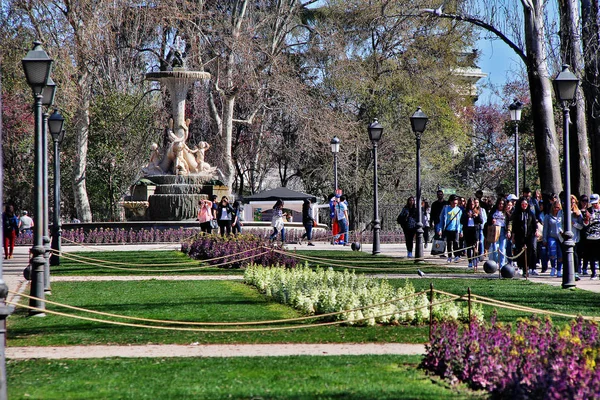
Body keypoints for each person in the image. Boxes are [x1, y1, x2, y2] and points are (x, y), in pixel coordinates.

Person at [507, 197, 538, 276]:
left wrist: (536, 231)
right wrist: (512, 234)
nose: (524, 205)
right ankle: (521, 267)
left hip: (529, 236)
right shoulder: (516, 213)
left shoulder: (531, 213)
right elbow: (513, 224)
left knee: (529, 252)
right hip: (519, 236)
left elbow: (534, 224)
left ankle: (527, 268)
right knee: (520, 252)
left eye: (526, 204)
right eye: (523, 204)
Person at [437, 194, 463, 263]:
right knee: (449, 243)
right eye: (454, 203)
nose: (455, 204)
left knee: (456, 243)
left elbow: (461, 222)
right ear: (450, 201)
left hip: (456, 229)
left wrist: (461, 231)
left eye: (456, 203)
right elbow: (441, 219)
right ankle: (449, 256)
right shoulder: (445, 209)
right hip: (447, 229)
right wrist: (440, 229)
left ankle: (457, 256)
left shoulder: (459, 210)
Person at [460, 198, 483, 269]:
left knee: (475, 247)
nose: (471, 206)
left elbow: (481, 221)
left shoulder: (478, 211)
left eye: (472, 204)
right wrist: (467, 216)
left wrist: (476, 216)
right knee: (469, 247)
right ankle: (470, 262)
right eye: (470, 204)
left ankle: (475, 260)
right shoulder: (465, 211)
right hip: (467, 230)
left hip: (475, 230)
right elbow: (461, 221)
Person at [486, 197, 508, 268]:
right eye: (499, 204)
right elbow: (488, 220)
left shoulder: (505, 212)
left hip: (502, 230)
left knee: (502, 249)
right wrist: (491, 221)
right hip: (494, 230)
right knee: (495, 248)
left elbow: (509, 221)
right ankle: (494, 264)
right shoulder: (493, 211)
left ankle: (502, 265)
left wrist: (508, 231)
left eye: (502, 204)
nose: (500, 205)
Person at [543, 200, 564, 277]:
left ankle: (559, 269)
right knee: (552, 252)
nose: (556, 209)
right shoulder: (548, 216)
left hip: (560, 237)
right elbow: (545, 228)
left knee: (560, 254)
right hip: (551, 236)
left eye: (558, 208)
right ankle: (553, 267)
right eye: (555, 207)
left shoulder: (562, 215)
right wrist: (544, 239)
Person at [583, 193, 600, 280]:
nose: (594, 205)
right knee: (592, 256)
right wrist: (587, 218)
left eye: (596, 203)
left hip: (599, 236)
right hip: (591, 236)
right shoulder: (588, 210)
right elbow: (585, 224)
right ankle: (593, 273)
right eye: (593, 203)